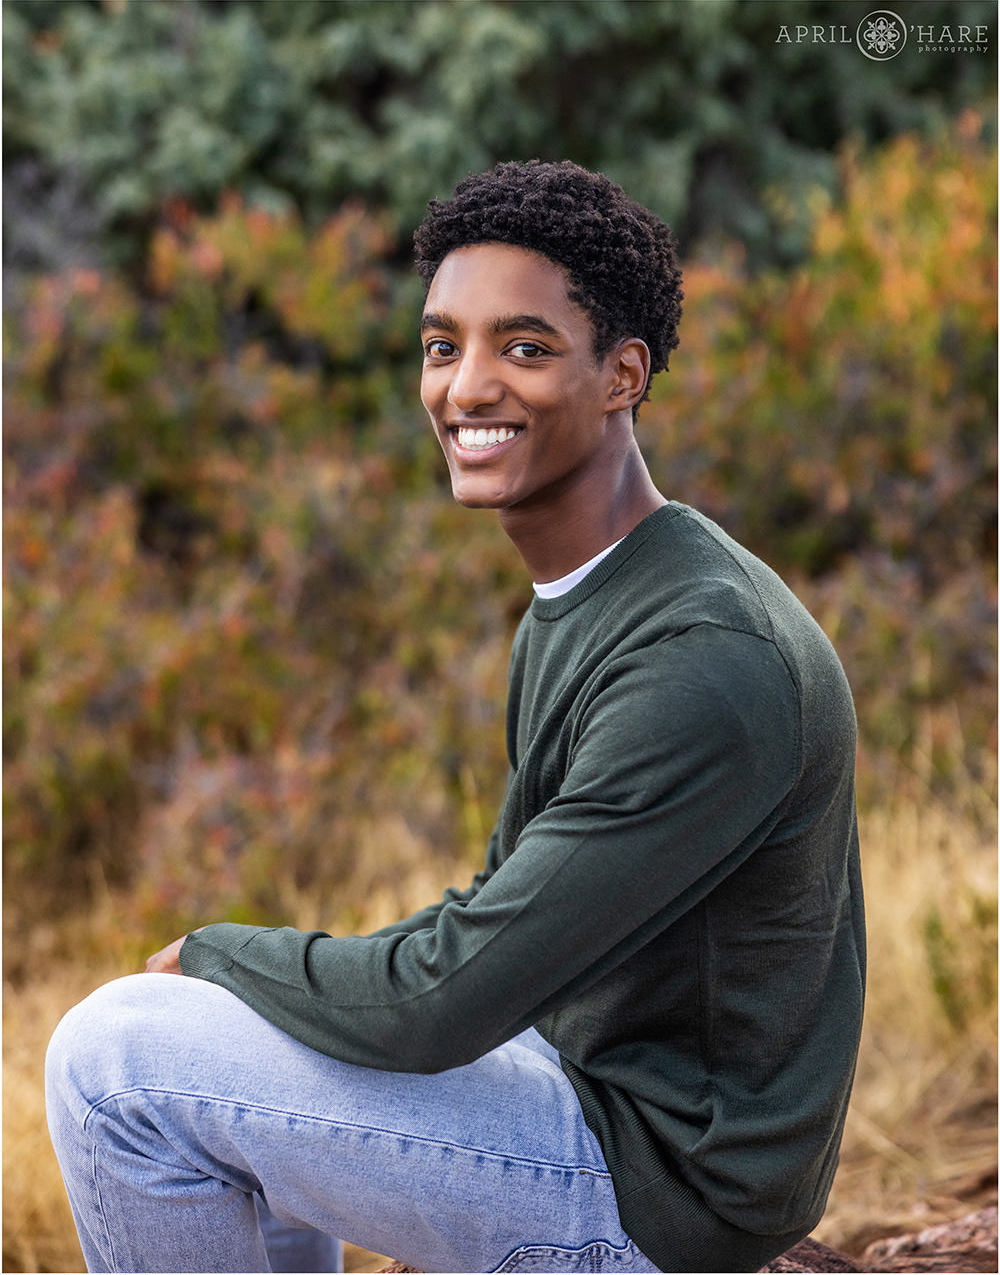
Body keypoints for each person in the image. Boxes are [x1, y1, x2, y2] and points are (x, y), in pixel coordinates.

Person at [46, 160, 865, 1275]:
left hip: (662, 1193)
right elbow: (501, 921)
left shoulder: (705, 658)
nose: (467, 387)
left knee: (116, 1060)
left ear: (623, 373)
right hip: (592, 1094)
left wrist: (215, 952)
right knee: (242, 1035)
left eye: (522, 348)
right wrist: (257, 987)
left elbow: (444, 1002)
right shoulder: (594, 596)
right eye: (444, 345)